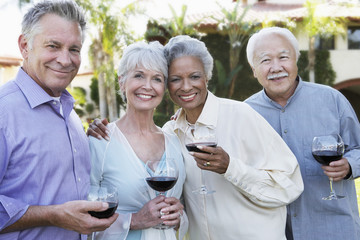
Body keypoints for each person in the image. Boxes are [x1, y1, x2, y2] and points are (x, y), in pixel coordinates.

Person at [88, 35, 304, 240]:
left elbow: (290, 185)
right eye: (175, 79)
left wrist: (230, 167)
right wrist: (155, 218)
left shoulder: (241, 115)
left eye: (194, 76)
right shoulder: (173, 132)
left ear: (207, 77)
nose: (186, 86)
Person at [0, 1, 118, 239]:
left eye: (74, 49)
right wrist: (52, 215)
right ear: (25, 46)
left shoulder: (70, 114)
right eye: (53, 46)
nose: (65, 60)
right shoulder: (4, 113)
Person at [245, 26, 360, 240]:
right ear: (253, 69)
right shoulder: (245, 113)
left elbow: (358, 148)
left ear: (296, 60)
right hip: (272, 231)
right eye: (265, 60)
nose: (276, 67)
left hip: (333, 228)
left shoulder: (332, 100)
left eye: (283, 57)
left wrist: (349, 165)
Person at [88, 41, 187, 240]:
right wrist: (133, 220)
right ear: (122, 82)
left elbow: (184, 208)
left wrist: (179, 217)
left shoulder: (175, 141)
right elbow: (82, 216)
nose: (147, 86)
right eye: (139, 75)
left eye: (157, 79)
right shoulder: (100, 141)